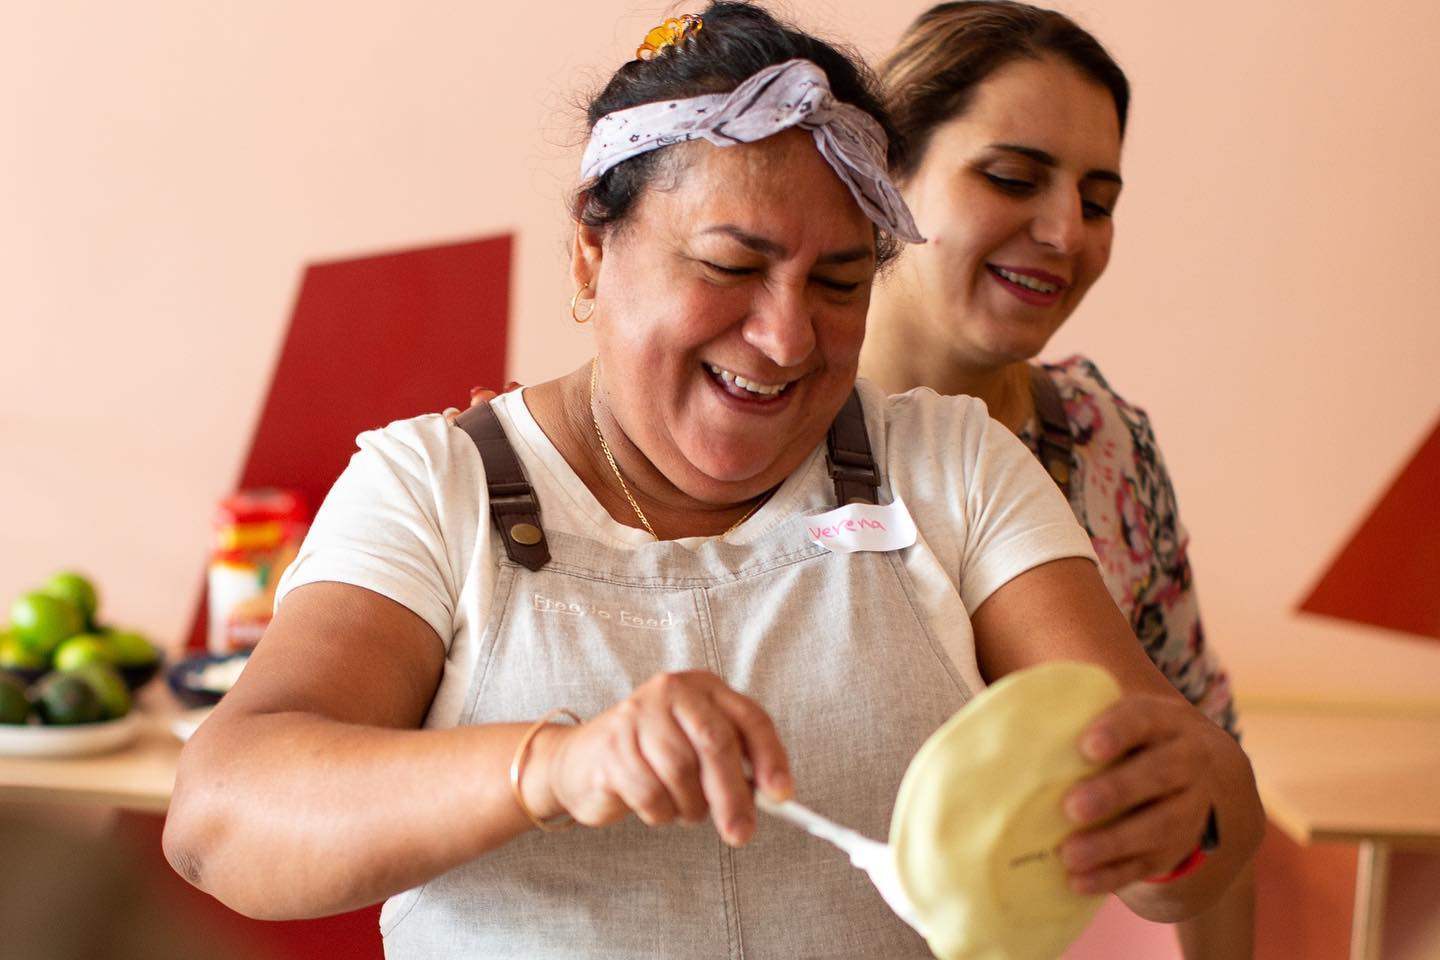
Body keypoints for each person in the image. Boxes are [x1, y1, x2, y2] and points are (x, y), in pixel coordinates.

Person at [163, 4, 1262, 958]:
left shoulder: (958, 467)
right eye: (732, 266)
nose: (787, 337)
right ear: (592, 253)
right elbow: (222, 821)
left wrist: (1183, 811)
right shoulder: (435, 487)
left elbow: (1199, 839)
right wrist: (552, 769)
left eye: (839, 282)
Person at [858, 3, 1254, 955]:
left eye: (1100, 198)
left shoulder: (1105, 443)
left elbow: (1201, 778)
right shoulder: (738, 432)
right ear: (884, 176)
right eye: (1011, 178)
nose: (1066, 231)